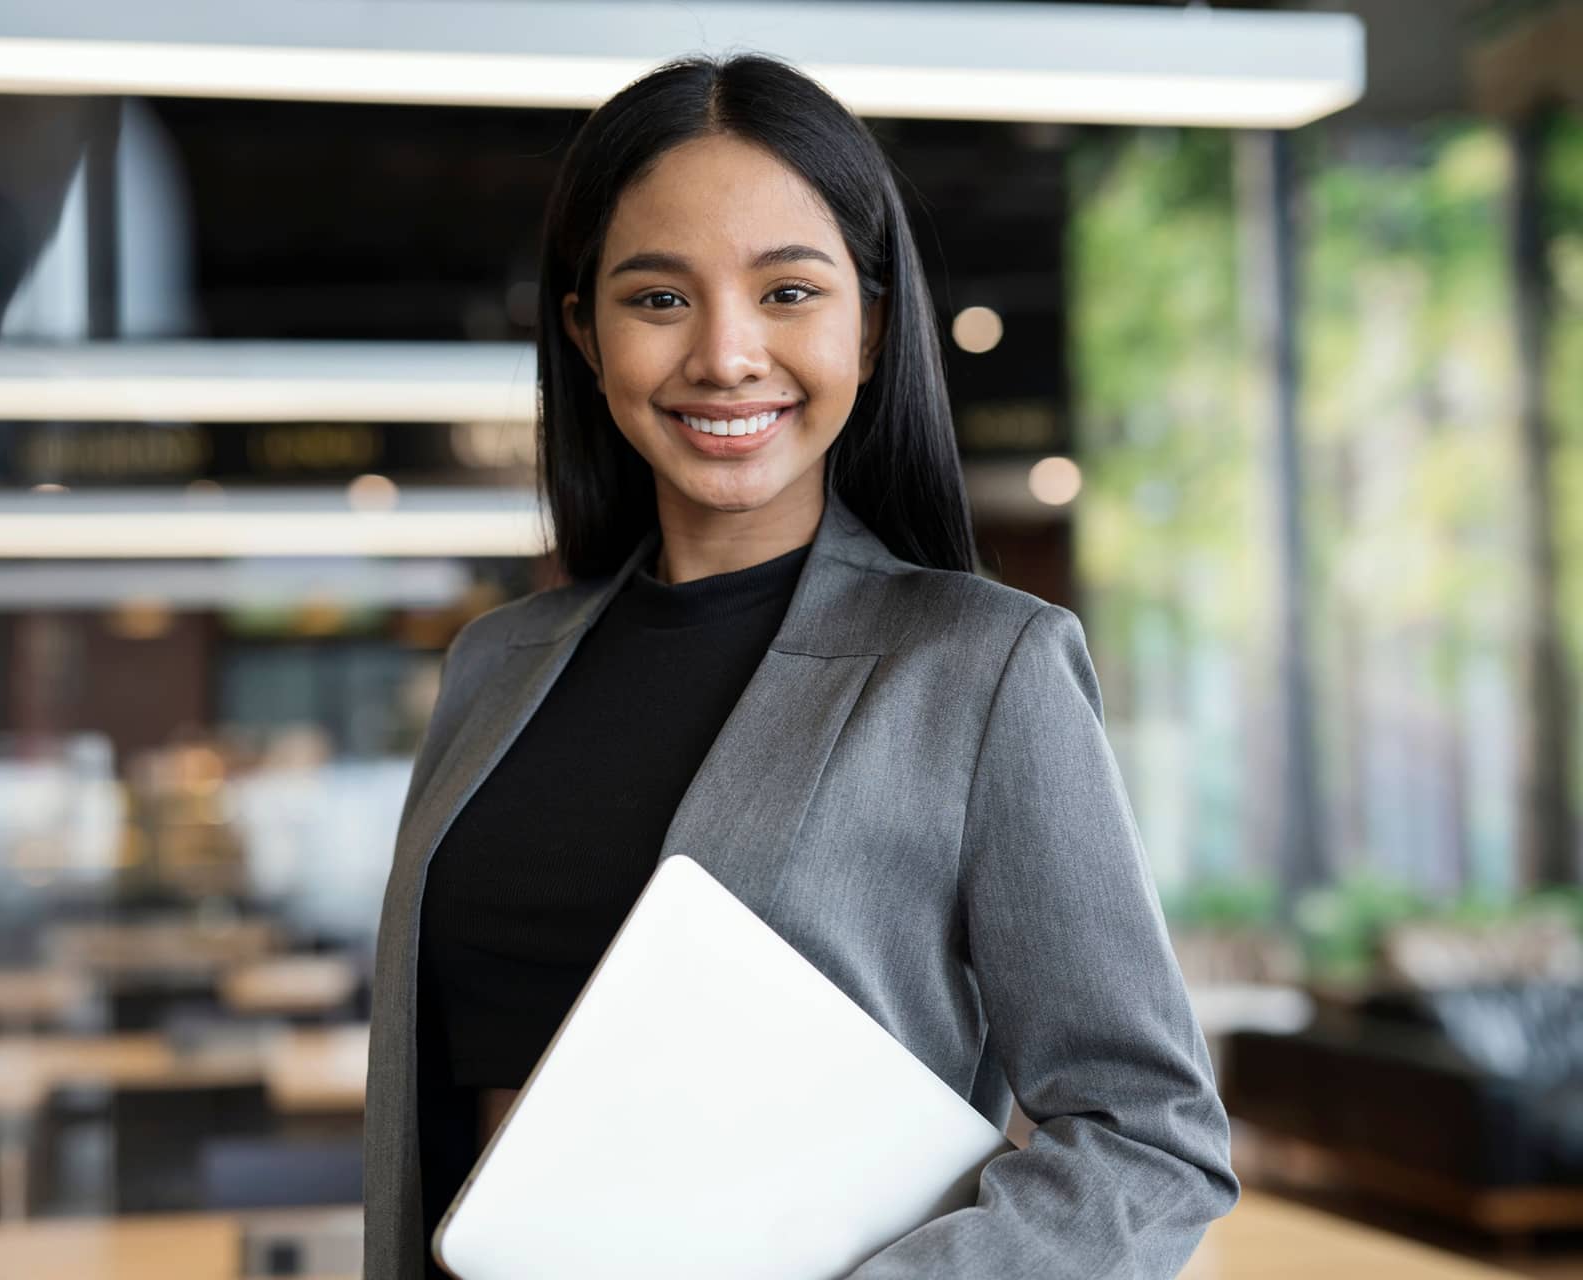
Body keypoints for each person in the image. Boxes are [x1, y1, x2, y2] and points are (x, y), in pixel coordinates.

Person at [363, 52, 1239, 1279]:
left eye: (787, 292)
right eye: (657, 299)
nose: (724, 355)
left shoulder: (982, 671)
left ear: (871, 326)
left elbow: (1153, 1144)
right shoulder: (494, 668)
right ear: (584, 333)